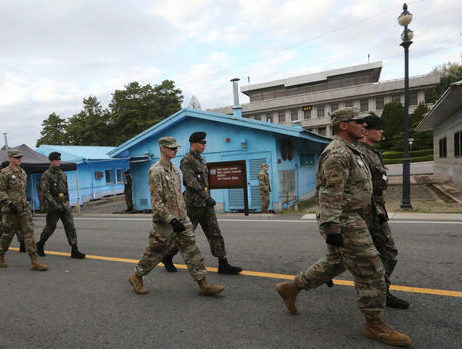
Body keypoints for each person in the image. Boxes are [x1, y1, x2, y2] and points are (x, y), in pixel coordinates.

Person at [274, 108, 411, 347]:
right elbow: (329, 194)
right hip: (345, 220)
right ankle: (374, 324)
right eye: (359, 122)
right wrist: (333, 230)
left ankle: (291, 288)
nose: (364, 126)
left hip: (357, 217)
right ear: (344, 126)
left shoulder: (352, 150)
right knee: (372, 269)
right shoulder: (337, 154)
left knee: (335, 263)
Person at [128, 136, 224, 296]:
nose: (175, 150)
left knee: (192, 250)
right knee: (155, 252)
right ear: (163, 149)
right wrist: (171, 219)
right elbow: (157, 202)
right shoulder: (155, 171)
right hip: (165, 222)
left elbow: (178, 195)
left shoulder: (175, 170)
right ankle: (136, 276)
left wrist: (182, 216)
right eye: (172, 148)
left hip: (181, 218)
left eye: (176, 148)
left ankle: (203, 284)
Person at [161, 131, 242, 275]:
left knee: (215, 232)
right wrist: (206, 196)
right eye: (202, 142)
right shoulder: (187, 160)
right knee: (185, 234)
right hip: (193, 204)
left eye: (205, 142)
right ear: (193, 143)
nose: (205, 145)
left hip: (205, 203)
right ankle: (167, 256)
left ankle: (223, 263)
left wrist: (207, 197)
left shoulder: (201, 160)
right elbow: (191, 182)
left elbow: (204, 181)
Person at [357, 115, 410, 309]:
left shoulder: (372, 152)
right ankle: (380, 292)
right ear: (366, 130)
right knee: (388, 251)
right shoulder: (360, 154)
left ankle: (379, 290)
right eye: (378, 128)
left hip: (377, 206)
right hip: (368, 209)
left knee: (365, 254)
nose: (381, 132)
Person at [0, 149, 47, 271]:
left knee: (29, 233)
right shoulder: (4, 173)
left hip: (24, 209)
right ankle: (1, 255)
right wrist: (9, 203)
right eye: (16, 157)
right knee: (7, 234)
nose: (19, 159)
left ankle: (34, 261)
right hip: (11, 210)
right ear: (10, 158)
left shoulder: (23, 173)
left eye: (20, 157)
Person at [36, 151, 85, 259]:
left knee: (70, 226)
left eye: (59, 160)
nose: (59, 161)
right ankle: (40, 244)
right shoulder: (46, 175)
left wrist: (67, 202)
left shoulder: (62, 173)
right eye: (57, 160)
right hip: (53, 206)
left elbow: (66, 190)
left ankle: (74, 249)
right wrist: (54, 204)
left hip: (64, 204)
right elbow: (45, 192)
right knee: (50, 227)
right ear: (51, 161)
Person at [0, 160, 25, 252]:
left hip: (16, 206)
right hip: (4, 208)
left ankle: (22, 243)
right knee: (4, 226)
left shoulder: (16, 178)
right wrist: (7, 201)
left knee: (19, 225)